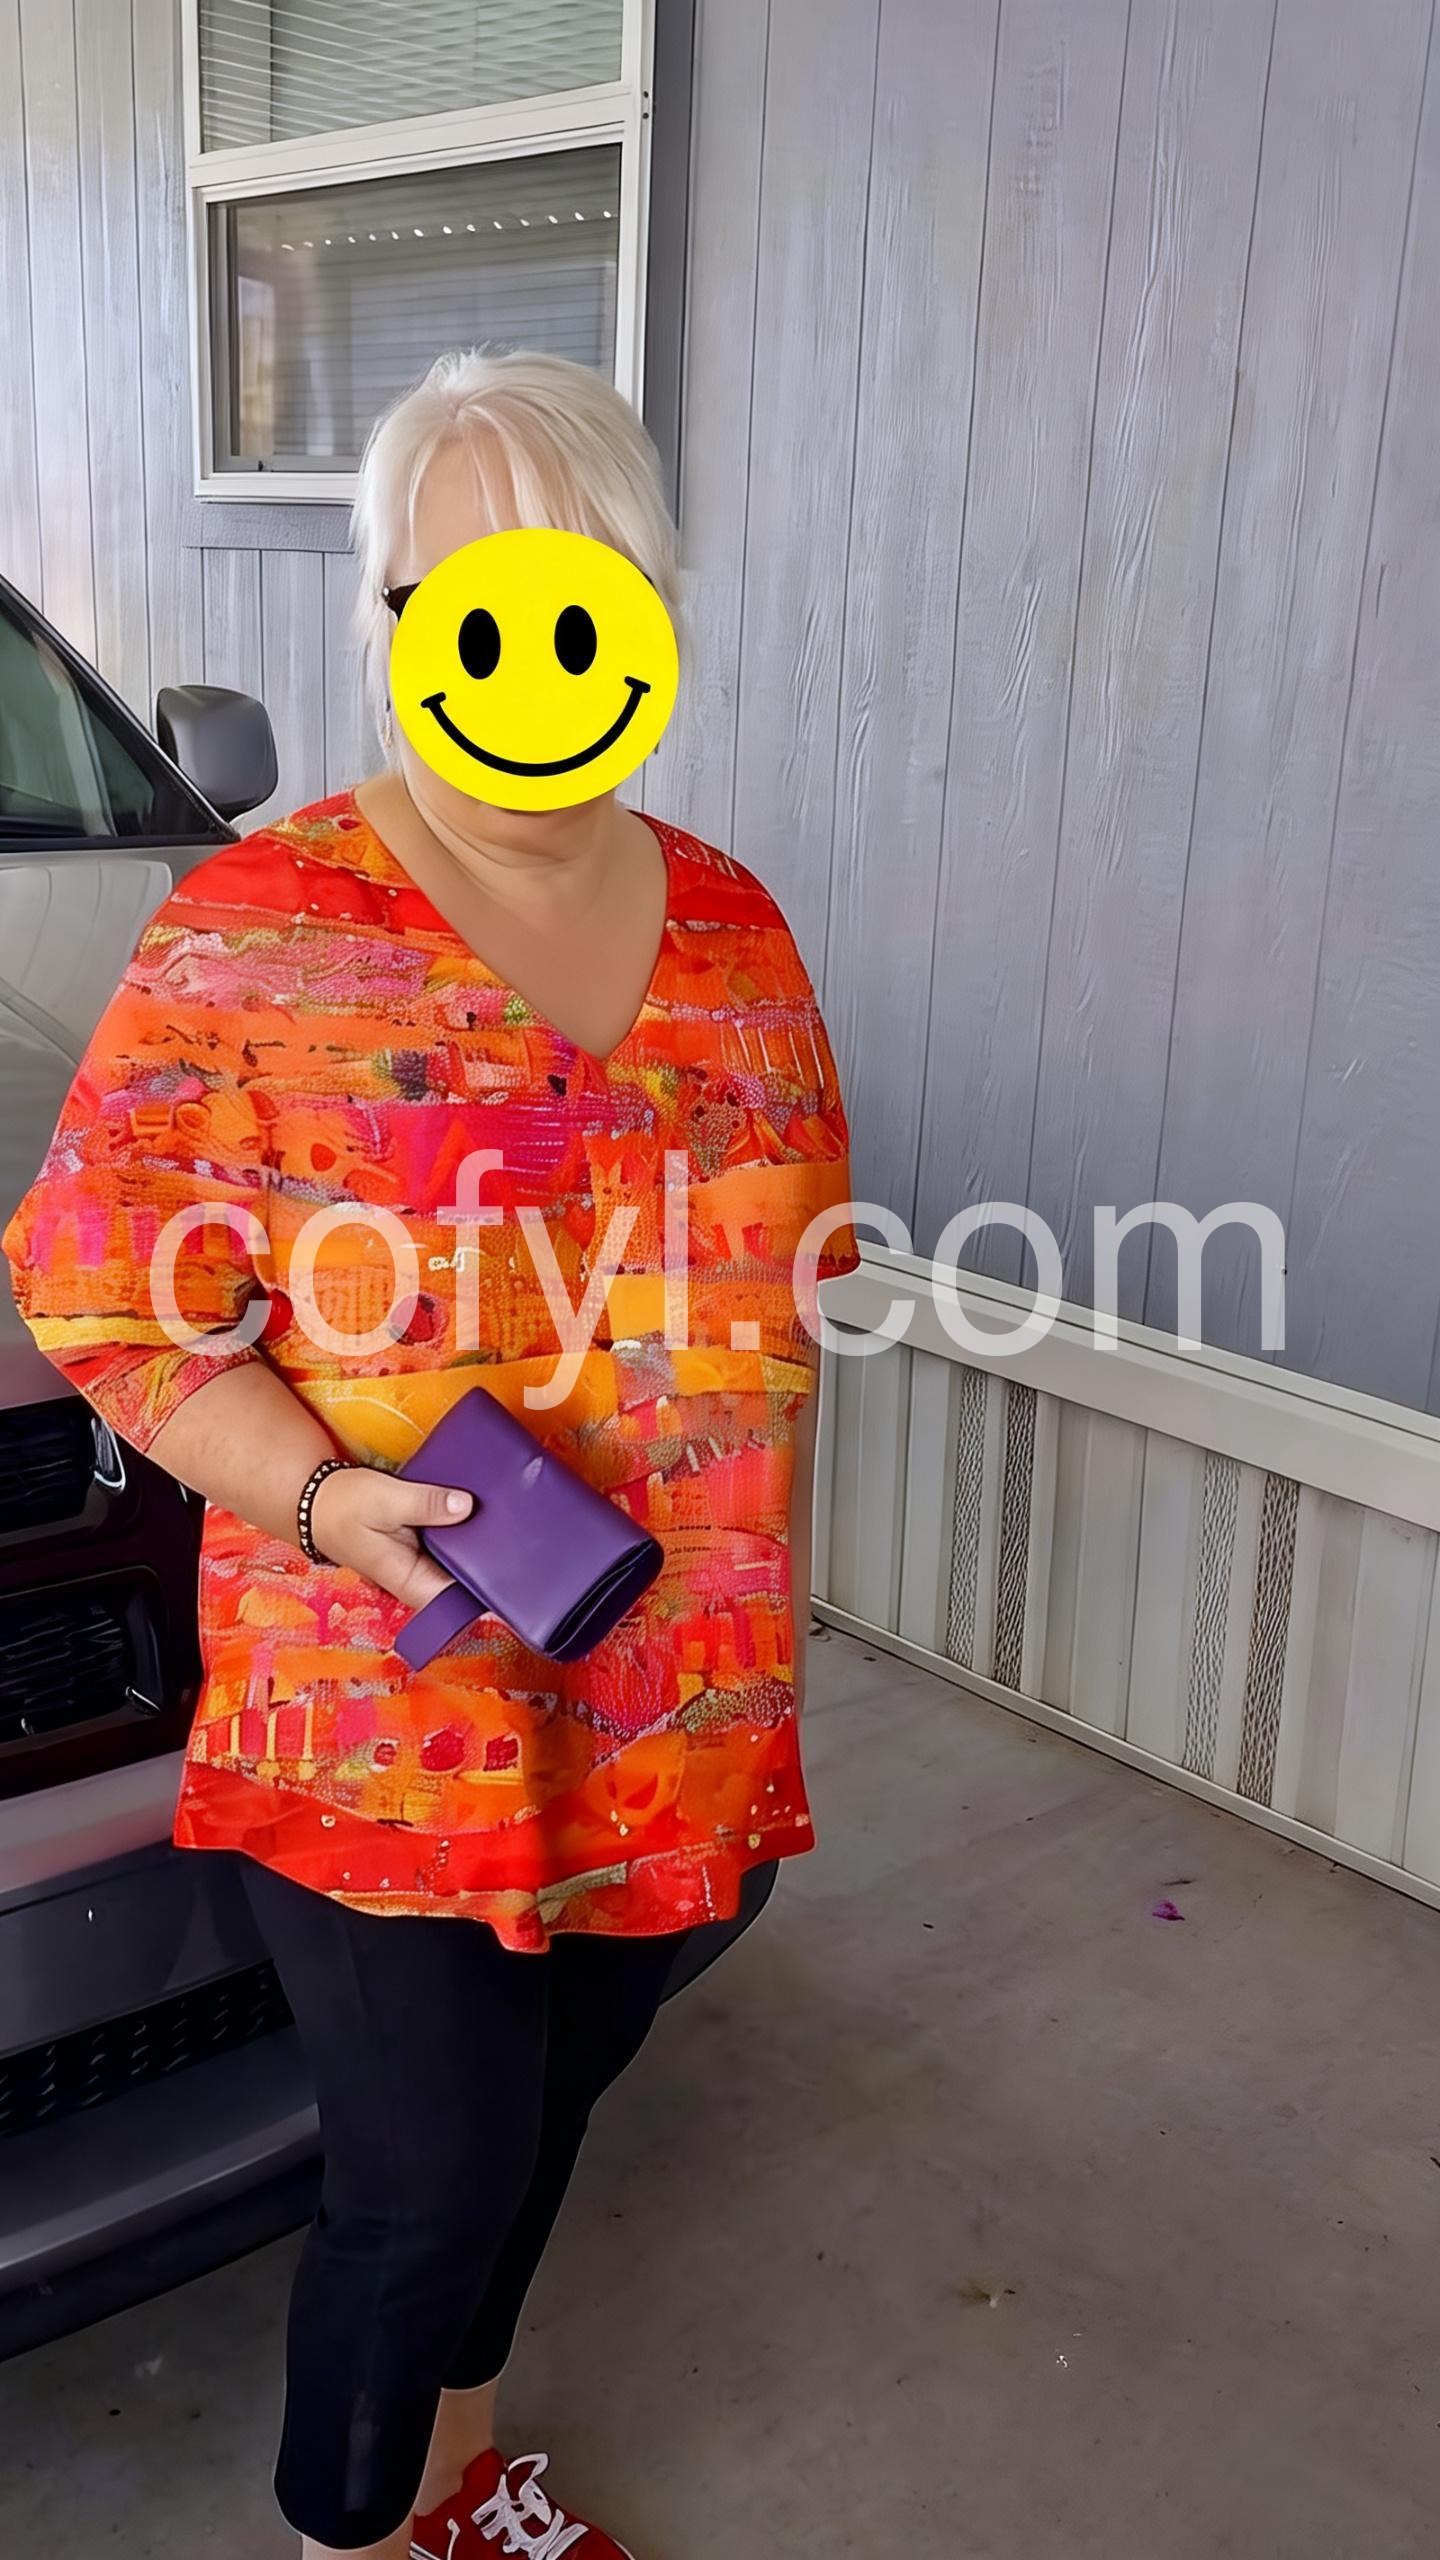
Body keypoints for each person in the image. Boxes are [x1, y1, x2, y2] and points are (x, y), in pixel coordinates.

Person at [4, 348, 858, 2560]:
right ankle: (354, 2529)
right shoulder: (262, 928)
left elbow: (789, 1262)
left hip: (665, 1694)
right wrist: (315, 1493)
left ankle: (461, 2488)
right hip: (390, 1709)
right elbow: (101, 1287)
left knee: (558, 2110)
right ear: (392, 619)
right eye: (459, 592)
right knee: (427, 2182)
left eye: (575, 584)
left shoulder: (736, 930)